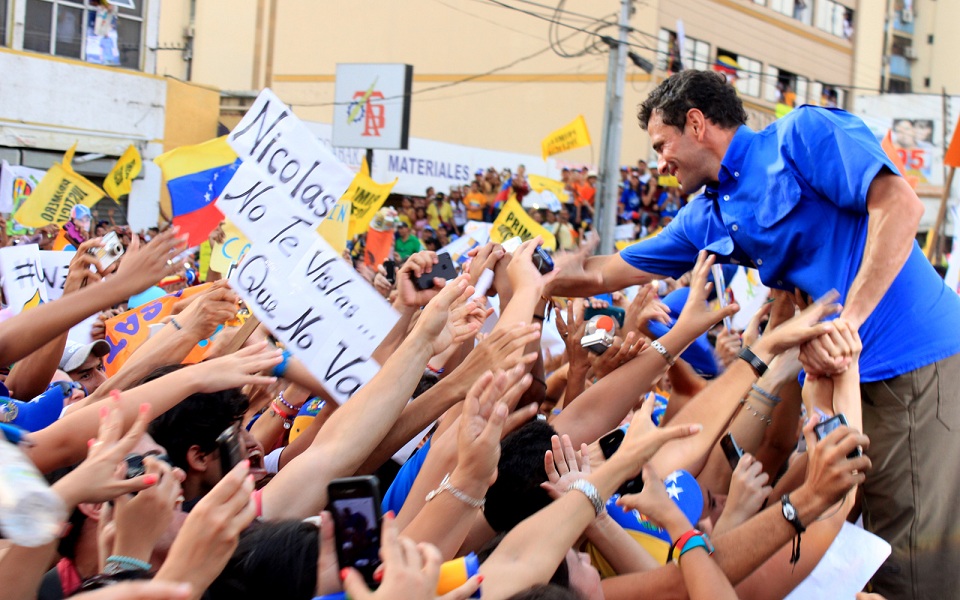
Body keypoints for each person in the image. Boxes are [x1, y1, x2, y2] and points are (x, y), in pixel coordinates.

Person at [548, 68, 960, 600]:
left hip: (913, 361)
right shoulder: (709, 213)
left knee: (912, 550)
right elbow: (606, 273)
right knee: (864, 543)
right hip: (843, 374)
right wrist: (534, 272)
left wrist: (848, 323)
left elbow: (901, 206)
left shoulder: (802, 136)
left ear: (696, 123)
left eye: (660, 145)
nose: (658, 164)